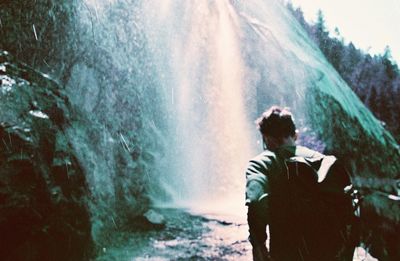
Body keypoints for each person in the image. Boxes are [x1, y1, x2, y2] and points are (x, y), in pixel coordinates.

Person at [245, 106, 356, 261]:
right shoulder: (324, 161)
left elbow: (257, 202)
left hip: (286, 253)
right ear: (295, 135)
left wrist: (259, 245)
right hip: (329, 253)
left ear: (267, 138)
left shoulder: (261, 164)